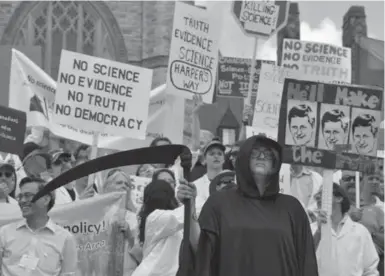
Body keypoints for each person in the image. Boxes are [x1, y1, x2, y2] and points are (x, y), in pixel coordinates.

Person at [195, 135, 318, 276]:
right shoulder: (219, 204)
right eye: (254, 153)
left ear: (276, 163)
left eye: (268, 154)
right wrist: (190, 209)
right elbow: (201, 256)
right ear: (244, 158)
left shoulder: (292, 207)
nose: (261, 157)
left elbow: (307, 261)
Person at [0, 177, 78, 275]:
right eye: (20, 196)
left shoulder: (65, 238)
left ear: (46, 199)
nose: (22, 201)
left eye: (28, 196)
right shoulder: (4, 233)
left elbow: (68, 273)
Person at [131, 179, 199, 276]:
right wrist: (191, 199)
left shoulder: (178, 225)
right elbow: (185, 214)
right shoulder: (155, 218)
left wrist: (190, 199)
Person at [313, 183, 379, 276]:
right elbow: (303, 259)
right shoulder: (311, 229)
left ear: (339, 198)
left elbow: (370, 269)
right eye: (317, 195)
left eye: (323, 193)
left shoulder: (360, 231)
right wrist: (319, 232)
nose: (318, 197)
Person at [193, 138, 225, 202]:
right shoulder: (195, 186)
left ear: (224, 159)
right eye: (212, 154)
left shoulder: (234, 183)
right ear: (204, 159)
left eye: (219, 154)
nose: (216, 156)